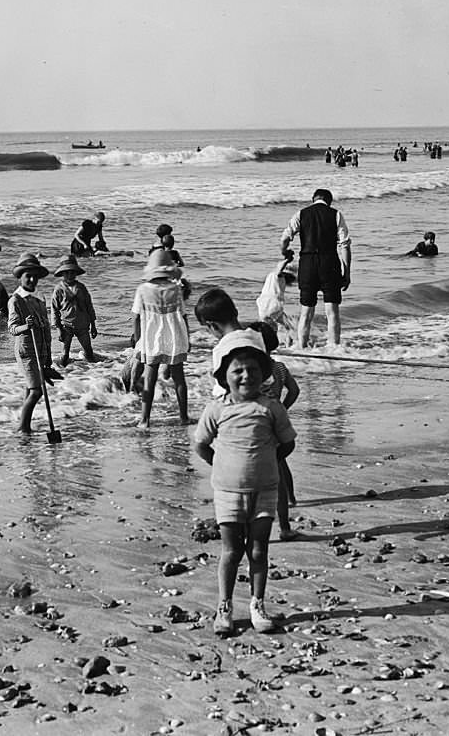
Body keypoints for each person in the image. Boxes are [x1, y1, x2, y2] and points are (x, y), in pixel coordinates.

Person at [194, 329, 296, 636]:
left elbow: (287, 444)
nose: (245, 375)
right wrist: (222, 466)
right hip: (227, 492)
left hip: (265, 491)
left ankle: (257, 604)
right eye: (237, 370)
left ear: (263, 373)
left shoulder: (270, 408)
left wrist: (266, 460)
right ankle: (224, 606)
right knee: (231, 551)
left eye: (252, 369)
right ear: (224, 376)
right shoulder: (216, 409)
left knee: (258, 549)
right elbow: (201, 445)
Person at [279, 188, 352, 348]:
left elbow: (285, 237)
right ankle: (334, 350)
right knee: (332, 312)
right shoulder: (336, 215)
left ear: (313, 199)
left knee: (306, 312)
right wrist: (346, 273)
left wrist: (285, 252)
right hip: (329, 264)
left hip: (307, 264)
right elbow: (344, 246)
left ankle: (302, 349)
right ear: (329, 201)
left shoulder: (301, 214)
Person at [251, 320, 301, 539]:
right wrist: (284, 408)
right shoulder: (279, 366)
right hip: (278, 420)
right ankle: (291, 499)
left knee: (274, 474)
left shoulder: (255, 371)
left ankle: (283, 526)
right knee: (281, 464)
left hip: (262, 425)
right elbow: (294, 390)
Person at [131, 249, 190, 428]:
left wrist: (137, 338)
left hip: (151, 338)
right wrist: (188, 339)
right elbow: (183, 315)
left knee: (150, 379)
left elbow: (136, 317)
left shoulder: (143, 290)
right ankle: (184, 417)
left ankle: (145, 419)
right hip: (174, 337)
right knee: (179, 379)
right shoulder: (176, 289)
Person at [8, 253, 62, 434]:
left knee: (29, 389)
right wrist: (25, 326)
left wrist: (47, 356)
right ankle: (23, 428)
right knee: (37, 391)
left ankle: (25, 422)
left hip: (41, 349)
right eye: (27, 276)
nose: (31, 279)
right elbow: (12, 328)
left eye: (34, 276)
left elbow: (45, 325)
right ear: (20, 277)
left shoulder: (39, 298)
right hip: (26, 351)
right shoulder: (15, 300)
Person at [50, 255, 98, 366]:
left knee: (89, 352)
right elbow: (54, 310)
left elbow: (89, 307)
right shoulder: (59, 289)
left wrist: (93, 325)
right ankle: (63, 373)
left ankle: (93, 372)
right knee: (65, 354)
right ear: (62, 274)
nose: (70, 275)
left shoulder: (81, 288)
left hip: (83, 325)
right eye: (66, 273)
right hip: (66, 326)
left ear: (76, 273)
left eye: (72, 272)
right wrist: (58, 329)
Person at [255, 252, 297, 346]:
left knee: (266, 328)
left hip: (263, 305)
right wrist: (287, 260)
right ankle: (288, 345)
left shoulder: (272, 277)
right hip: (273, 305)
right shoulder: (277, 276)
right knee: (289, 327)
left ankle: (266, 345)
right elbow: (279, 269)